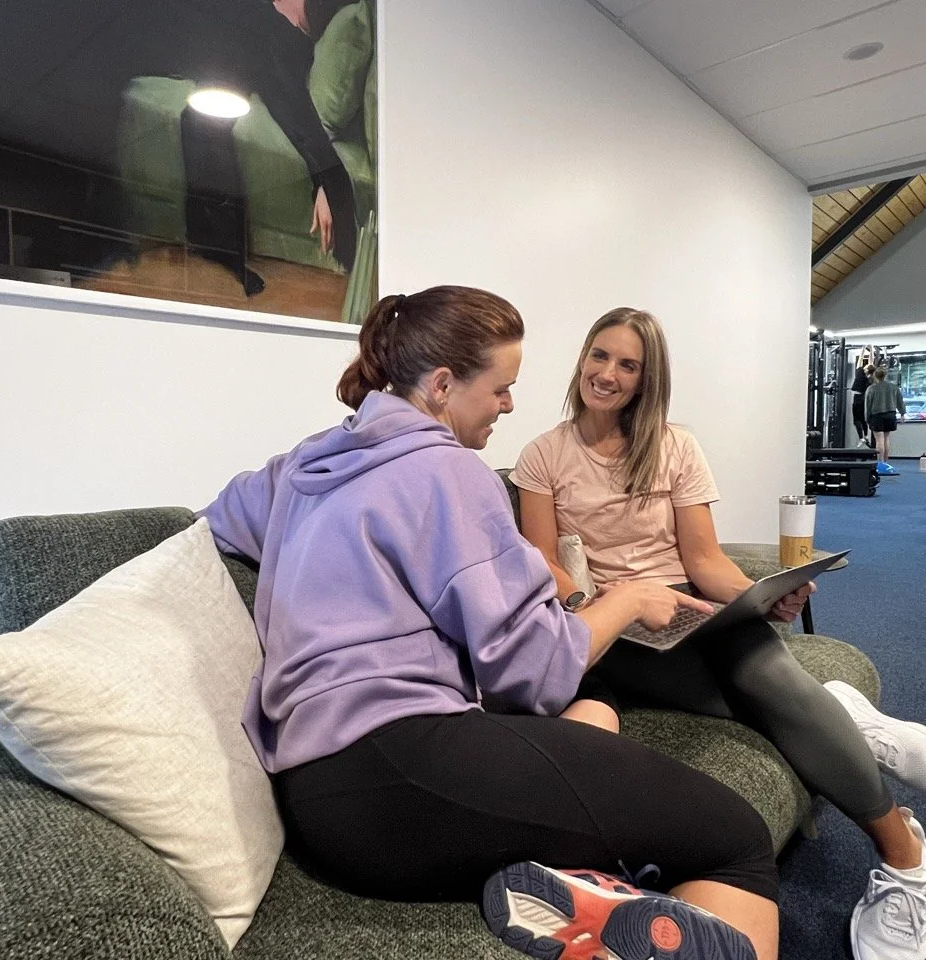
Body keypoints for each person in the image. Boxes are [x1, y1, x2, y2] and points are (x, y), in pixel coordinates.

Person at [199, 287, 777, 960]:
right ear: (443, 385)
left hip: (316, 797)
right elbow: (534, 671)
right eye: (502, 388)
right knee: (735, 837)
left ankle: (590, 887)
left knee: (593, 743)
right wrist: (626, 601)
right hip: (402, 769)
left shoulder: (311, 460)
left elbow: (220, 517)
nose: (508, 404)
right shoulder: (451, 472)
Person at [512, 308, 926, 960]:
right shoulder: (543, 456)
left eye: (627, 365)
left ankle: (901, 859)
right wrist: (604, 601)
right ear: (582, 358)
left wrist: (763, 595)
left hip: (691, 608)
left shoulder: (675, 447)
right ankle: (850, 735)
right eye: (600, 356)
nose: (607, 374)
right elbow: (547, 567)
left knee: (761, 664)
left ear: (646, 380)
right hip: (620, 626)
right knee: (768, 692)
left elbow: (704, 562)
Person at [864, 365, 905, 476]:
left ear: (875, 376)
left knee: (879, 440)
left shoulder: (871, 388)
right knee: (886, 439)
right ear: (885, 375)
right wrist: (902, 413)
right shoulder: (893, 387)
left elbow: (868, 405)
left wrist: (867, 418)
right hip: (890, 415)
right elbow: (900, 401)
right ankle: (885, 463)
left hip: (877, 415)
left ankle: (880, 463)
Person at [850, 356, 875, 447]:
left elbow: (860, 361)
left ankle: (861, 438)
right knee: (862, 419)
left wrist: (863, 349)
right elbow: (871, 363)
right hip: (864, 398)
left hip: (857, 398)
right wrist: (871, 349)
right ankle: (866, 435)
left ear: (866, 369)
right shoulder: (871, 378)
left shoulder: (860, 372)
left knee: (856, 420)